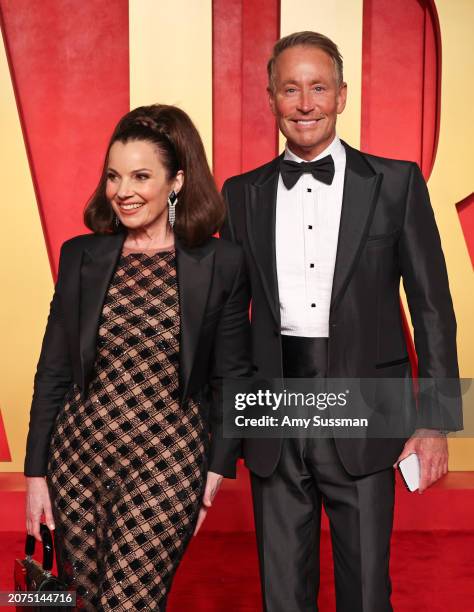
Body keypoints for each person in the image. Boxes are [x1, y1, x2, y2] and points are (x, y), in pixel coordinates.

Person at [221, 31, 462, 611]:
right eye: (290, 89)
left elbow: (432, 307)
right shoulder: (240, 194)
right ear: (272, 99)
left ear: (342, 96)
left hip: (365, 412)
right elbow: (227, 321)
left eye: (319, 87)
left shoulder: (396, 183)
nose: (305, 103)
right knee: (282, 596)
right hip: (272, 418)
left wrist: (435, 422)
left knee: (365, 595)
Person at [24, 104, 251, 610]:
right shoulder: (82, 256)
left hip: (167, 462)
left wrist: (217, 466)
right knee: (85, 602)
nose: (122, 190)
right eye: (113, 175)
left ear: (176, 181)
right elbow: (54, 370)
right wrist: (36, 473)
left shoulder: (220, 262)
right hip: (77, 458)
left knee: (130, 603)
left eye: (141, 176)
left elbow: (233, 374)